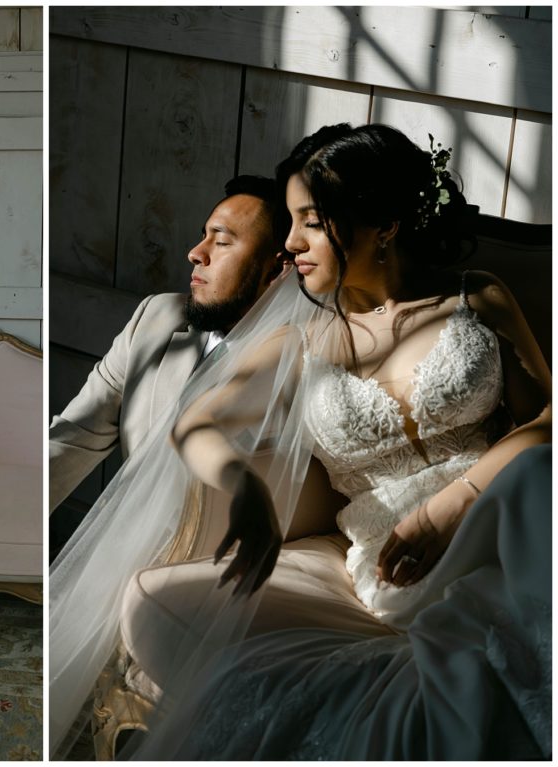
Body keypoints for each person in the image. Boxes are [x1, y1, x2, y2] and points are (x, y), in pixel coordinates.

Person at [49, 124, 550, 759]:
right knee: (154, 605)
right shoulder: (303, 339)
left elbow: (546, 421)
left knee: (538, 478)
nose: (291, 244)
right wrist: (245, 489)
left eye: (309, 222)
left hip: (498, 521)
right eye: (290, 222)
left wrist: (458, 500)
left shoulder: (476, 298)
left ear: (382, 224)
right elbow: (194, 424)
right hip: (393, 561)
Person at [50, 175, 285, 513]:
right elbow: (74, 435)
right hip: (122, 543)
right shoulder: (155, 319)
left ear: (276, 267)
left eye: (221, 242)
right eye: (202, 236)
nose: (195, 253)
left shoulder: (301, 362)